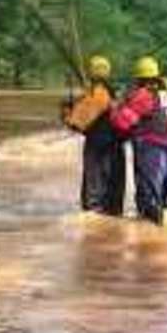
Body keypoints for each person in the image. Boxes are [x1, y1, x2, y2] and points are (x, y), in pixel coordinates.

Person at [110, 56, 167, 225]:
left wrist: (116, 107)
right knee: (161, 194)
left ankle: (150, 235)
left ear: (139, 78)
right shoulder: (165, 95)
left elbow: (122, 122)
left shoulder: (141, 96)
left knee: (147, 194)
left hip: (148, 149)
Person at [64, 55, 125, 216]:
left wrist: (68, 110)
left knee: (94, 198)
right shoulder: (114, 94)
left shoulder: (98, 95)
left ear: (92, 73)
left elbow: (76, 123)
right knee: (113, 200)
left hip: (98, 148)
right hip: (116, 149)